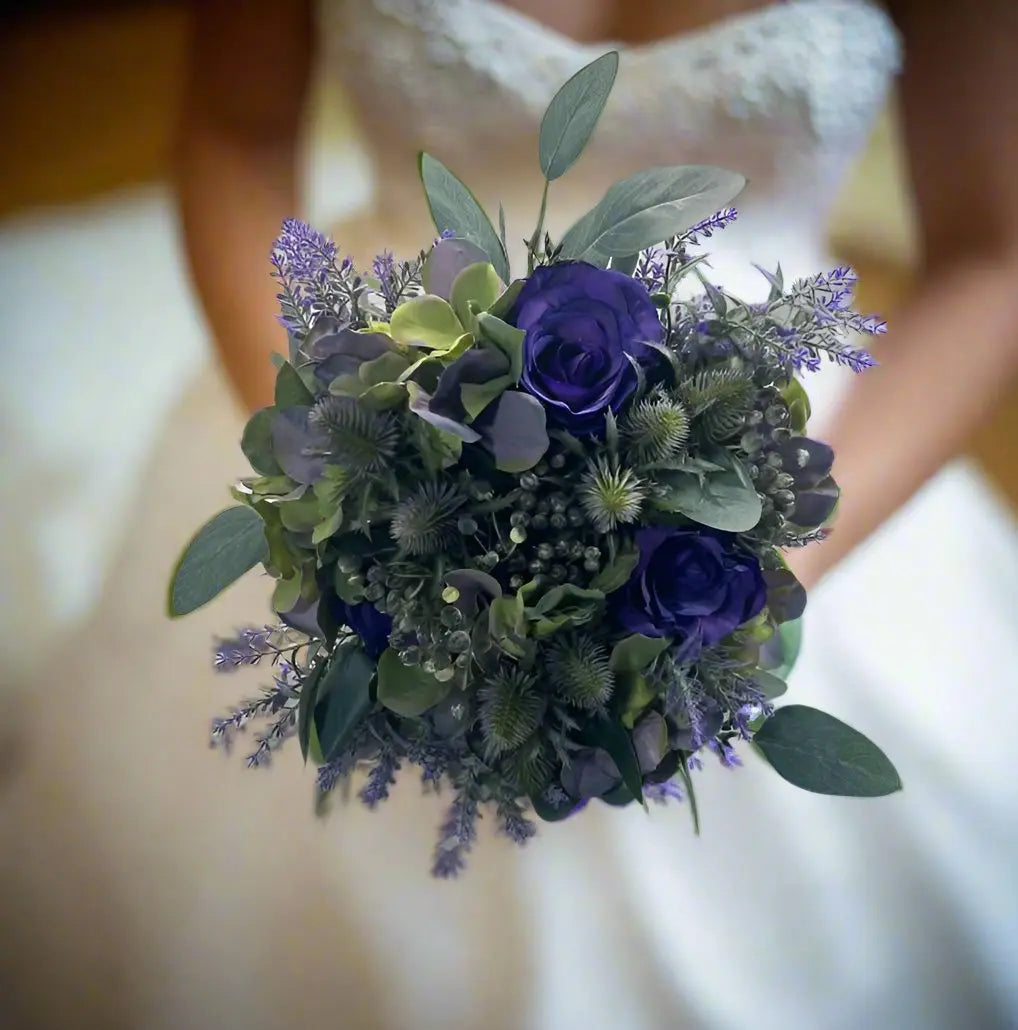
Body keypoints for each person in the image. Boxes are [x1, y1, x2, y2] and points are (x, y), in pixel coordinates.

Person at [3, 1, 1017, 1028]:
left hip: (800, 460)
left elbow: (992, 252)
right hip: (382, 413)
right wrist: (350, 483)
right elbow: (238, 133)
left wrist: (743, 571)